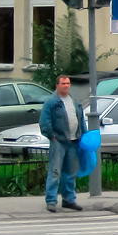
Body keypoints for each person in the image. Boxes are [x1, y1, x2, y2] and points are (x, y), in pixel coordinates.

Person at [39, 75, 85, 212]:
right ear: (57, 85)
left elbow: (81, 120)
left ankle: (69, 200)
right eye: (63, 83)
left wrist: (83, 136)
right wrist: (52, 136)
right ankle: (51, 200)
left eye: (68, 83)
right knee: (55, 171)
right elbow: (44, 122)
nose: (66, 86)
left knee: (70, 173)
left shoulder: (74, 102)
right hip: (58, 141)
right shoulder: (51, 102)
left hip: (73, 141)